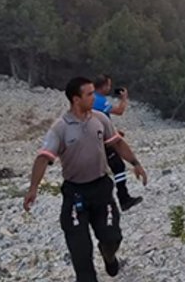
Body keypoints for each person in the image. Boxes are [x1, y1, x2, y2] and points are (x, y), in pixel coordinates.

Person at [25, 77, 149, 281]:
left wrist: (135, 163)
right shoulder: (60, 128)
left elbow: (117, 143)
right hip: (75, 195)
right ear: (76, 99)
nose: (95, 97)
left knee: (112, 238)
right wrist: (33, 189)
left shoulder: (100, 119)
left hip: (101, 189)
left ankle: (108, 255)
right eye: (89, 94)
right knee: (81, 257)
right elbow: (43, 157)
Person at [93, 74, 142, 210]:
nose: (110, 88)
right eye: (108, 85)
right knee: (118, 167)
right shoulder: (100, 100)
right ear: (103, 86)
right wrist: (124, 99)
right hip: (102, 140)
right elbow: (119, 111)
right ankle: (123, 198)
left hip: (94, 138)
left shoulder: (89, 99)